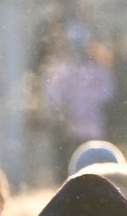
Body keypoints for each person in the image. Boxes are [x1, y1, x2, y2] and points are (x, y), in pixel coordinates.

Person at [42, 28, 117, 179]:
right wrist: (61, 107)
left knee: (93, 158)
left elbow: (108, 90)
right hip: (69, 123)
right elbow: (53, 89)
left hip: (92, 122)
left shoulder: (97, 68)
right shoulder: (63, 67)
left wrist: (92, 100)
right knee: (70, 159)